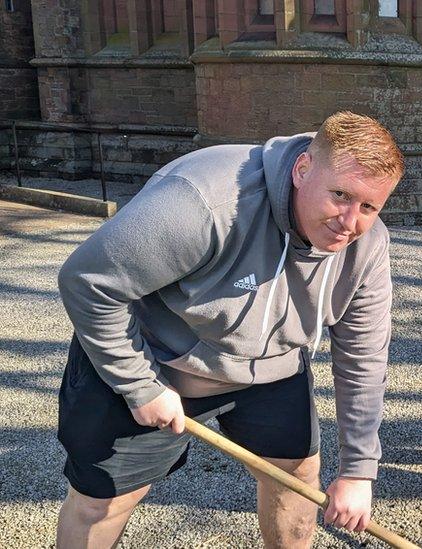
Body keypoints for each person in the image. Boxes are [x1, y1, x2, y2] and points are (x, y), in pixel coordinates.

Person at [55, 112, 404, 548]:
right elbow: (88, 281)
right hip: (156, 358)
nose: (350, 222)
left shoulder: (366, 248)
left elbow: (364, 359)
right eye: (340, 195)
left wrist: (357, 471)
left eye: (368, 207)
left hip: (270, 369)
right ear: (302, 170)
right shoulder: (205, 202)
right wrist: (139, 384)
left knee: (297, 475)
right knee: (104, 501)